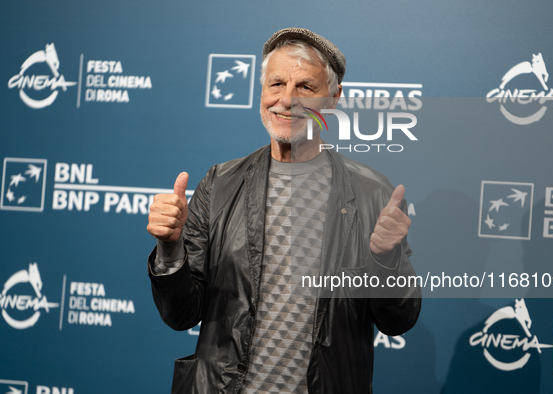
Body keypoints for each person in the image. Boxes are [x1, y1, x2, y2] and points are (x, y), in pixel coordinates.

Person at [147, 27, 422, 394]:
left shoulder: (373, 194)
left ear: (335, 97)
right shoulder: (220, 183)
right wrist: (170, 248)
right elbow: (180, 314)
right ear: (261, 92)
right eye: (276, 84)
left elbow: (398, 320)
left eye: (306, 87)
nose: (287, 99)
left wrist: (386, 260)